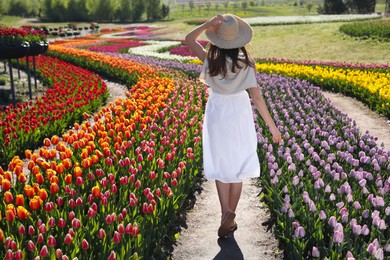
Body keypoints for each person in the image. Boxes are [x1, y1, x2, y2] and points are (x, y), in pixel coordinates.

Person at [185, 14, 282, 238]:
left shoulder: (211, 59)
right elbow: (257, 99)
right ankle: (231, 214)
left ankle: (225, 214)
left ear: (217, 39)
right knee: (237, 167)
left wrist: (208, 24)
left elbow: (189, 39)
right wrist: (273, 127)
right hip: (239, 112)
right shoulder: (246, 64)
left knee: (221, 164)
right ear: (239, 39)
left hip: (217, 111)